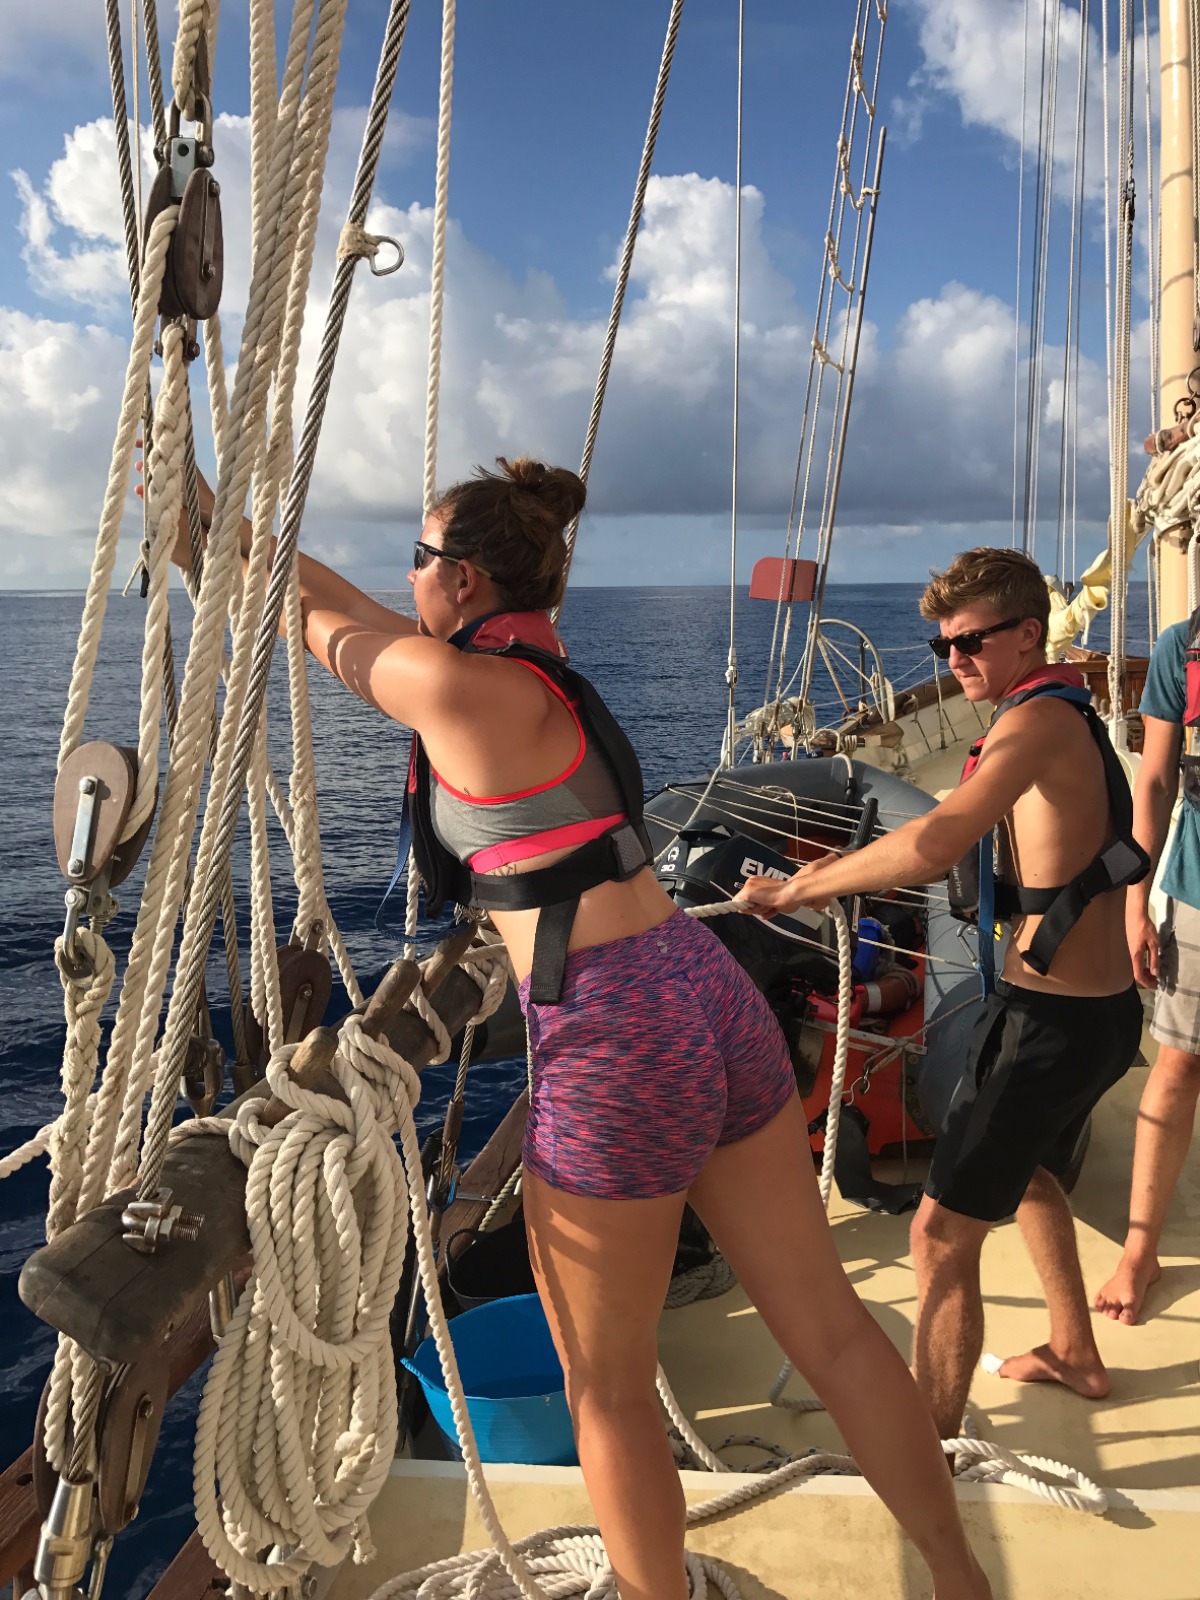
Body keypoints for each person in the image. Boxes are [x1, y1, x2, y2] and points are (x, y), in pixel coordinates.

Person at [163, 458, 990, 1600]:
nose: (406, 582)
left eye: (419, 560)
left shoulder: (455, 688)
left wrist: (199, 531)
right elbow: (343, 603)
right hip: (699, 983)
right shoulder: (535, 673)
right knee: (835, 1333)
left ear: (461, 578)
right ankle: (959, 1579)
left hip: (612, 1025)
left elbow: (308, 619)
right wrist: (212, 508)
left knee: (606, 1387)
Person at [739, 547, 1145, 1442]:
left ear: (1028, 634)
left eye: (971, 643)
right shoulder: (1057, 711)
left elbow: (934, 844)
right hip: (1086, 1015)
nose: (954, 661)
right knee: (1025, 1172)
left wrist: (800, 887)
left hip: (1054, 1025)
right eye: (941, 647)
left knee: (936, 1237)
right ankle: (1074, 1351)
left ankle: (927, 1452)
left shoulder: (1035, 724)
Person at [1094, 610, 1200, 1324]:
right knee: (1178, 1064)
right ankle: (1140, 1252)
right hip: (1195, 892)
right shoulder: (1181, 647)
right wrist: (1137, 903)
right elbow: (1155, 782)